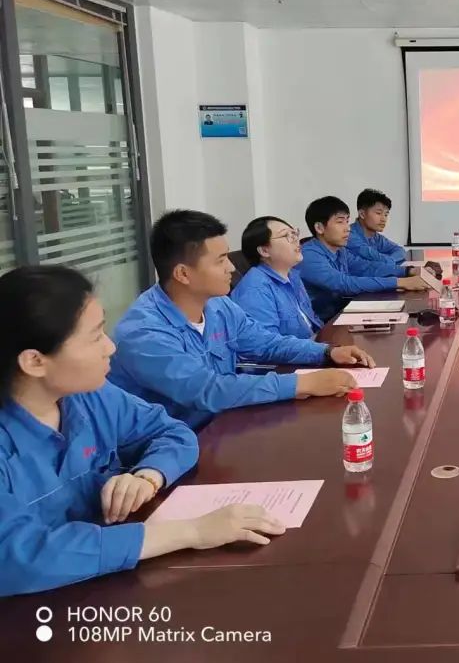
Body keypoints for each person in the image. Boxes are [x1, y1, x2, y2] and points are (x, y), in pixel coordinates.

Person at [0, 265, 287, 596]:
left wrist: (148, 475)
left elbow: (173, 433)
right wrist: (191, 532)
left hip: (112, 585)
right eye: (95, 337)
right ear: (35, 361)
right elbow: (17, 557)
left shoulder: (90, 397)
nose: (110, 347)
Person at [110, 210, 372, 430]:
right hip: (173, 449)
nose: (232, 267)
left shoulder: (218, 305)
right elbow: (208, 390)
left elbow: (265, 343)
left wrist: (326, 352)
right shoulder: (143, 333)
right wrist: (303, 384)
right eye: (220, 261)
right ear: (183, 274)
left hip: (226, 424)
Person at [299, 196, 426, 322]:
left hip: (339, 314)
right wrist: (399, 282)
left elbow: (366, 267)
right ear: (319, 228)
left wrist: (408, 271)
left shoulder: (340, 250)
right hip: (319, 325)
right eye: (340, 222)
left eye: (347, 221)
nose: (347, 228)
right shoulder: (308, 255)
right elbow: (344, 283)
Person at [231, 216, 322, 339]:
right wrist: (323, 348)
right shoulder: (255, 290)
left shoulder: (292, 275)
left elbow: (311, 320)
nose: (296, 239)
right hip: (298, 350)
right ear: (264, 251)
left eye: (294, 233)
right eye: (287, 235)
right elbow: (268, 344)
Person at [346, 188, 442, 279]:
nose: (383, 219)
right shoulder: (349, 236)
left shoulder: (376, 237)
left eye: (386, 214)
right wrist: (408, 269)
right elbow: (374, 264)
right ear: (362, 214)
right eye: (378, 213)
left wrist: (390, 261)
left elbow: (400, 250)